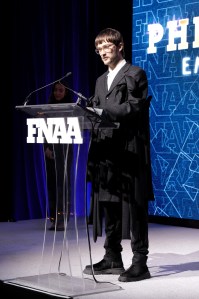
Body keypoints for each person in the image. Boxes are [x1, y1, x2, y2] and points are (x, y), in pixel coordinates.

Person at [83, 28, 154, 282]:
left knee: (134, 206)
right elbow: (96, 108)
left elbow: (134, 105)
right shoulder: (100, 80)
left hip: (129, 149)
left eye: (107, 46)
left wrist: (102, 111)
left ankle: (140, 262)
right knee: (109, 202)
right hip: (106, 150)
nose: (102, 51)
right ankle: (112, 257)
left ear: (120, 46)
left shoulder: (135, 74)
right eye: (98, 47)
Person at [44, 81, 73, 231]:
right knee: (52, 185)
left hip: (64, 150)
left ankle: (63, 219)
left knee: (62, 185)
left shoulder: (71, 108)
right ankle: (53, 219)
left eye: (61, 90)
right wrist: (47, 148)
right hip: (50, 150)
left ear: (66, 92)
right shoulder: (48, 108)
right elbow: (45, 130)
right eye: (56, 90)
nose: (58, 93)